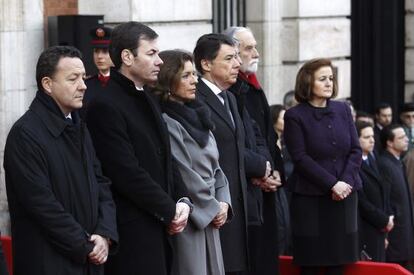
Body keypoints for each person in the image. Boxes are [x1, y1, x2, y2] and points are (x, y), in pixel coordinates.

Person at [85, 22, 191, 275]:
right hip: (134, 232)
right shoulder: (105, 104)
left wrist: (183, 200)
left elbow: (167, 158)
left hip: (162, 225)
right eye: (151, 53)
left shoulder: (148, 97)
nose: (160, 62)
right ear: (127, 57)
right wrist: (169, 209)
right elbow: (125, 171)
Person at [3, 46, 118, 275]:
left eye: (83, 77)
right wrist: (85, 245)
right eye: (73, 79)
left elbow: (101, 183)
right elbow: (41, 205)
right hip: (51, 262)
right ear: (47, 84)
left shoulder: (78, 125)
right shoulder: (25, 135)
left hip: (89, 257)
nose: (83, 85)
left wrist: (105, 234)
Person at [153, 49, 232, 275]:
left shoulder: (200, 115)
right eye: (186, 75)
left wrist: (224, 202)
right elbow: (183, 172)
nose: (194, 81)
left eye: (194, 74)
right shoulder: (167, 121)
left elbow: (217, 167)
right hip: (190, 217)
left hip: (212, 211)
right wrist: (213, 206)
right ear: (168, 79)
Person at [284, 58, 362, 275]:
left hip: (344, 197)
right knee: (312, 263)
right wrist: (332, 184)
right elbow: (300, 157)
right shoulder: (294, 116)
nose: (329, 83)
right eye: (322, 79)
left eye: (331, 78)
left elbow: (356, 150)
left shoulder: (343, 109)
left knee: (340, 262)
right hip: (311, 200)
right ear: (308, 82)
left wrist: (344, 182)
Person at [224, 26, 289, 267]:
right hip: (249, 186)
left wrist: (274, 170)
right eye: (249, 48)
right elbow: (236, 142)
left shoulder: (252, 86)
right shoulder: (234, 90)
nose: (256, 53)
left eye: (255, 47)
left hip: (267, 181)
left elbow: (264, 136)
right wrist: (259, 172)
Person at [193, 33, 249, 274]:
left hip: (237, 205)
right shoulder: (195, 99)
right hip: (213, 207)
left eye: (237, 57)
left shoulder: (229, 98)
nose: (237, 64)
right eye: (229, 58)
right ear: (206, 64)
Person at [356, 121, 393, 262]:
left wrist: (386, 223)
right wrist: (383, 220)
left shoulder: (373, 157)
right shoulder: (354, 164)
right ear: (356, 139)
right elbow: (362, 202)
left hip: (379, 229)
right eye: (366, 137)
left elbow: (383, 192)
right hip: (366, 230)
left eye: (372, 136)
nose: (372, 140)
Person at [378, 124, 414, 271]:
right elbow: (385, 199)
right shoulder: (385, 164)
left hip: (404, 229)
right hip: (394, 232)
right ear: (389, 142)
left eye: (406, 136)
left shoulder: (397, 162)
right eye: (401, 137)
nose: (406, 140)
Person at [81, 26, 114, 119]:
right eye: (96, 51)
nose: (99, 56)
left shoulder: (125, 84)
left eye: (105, 51)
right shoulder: (86, 85)